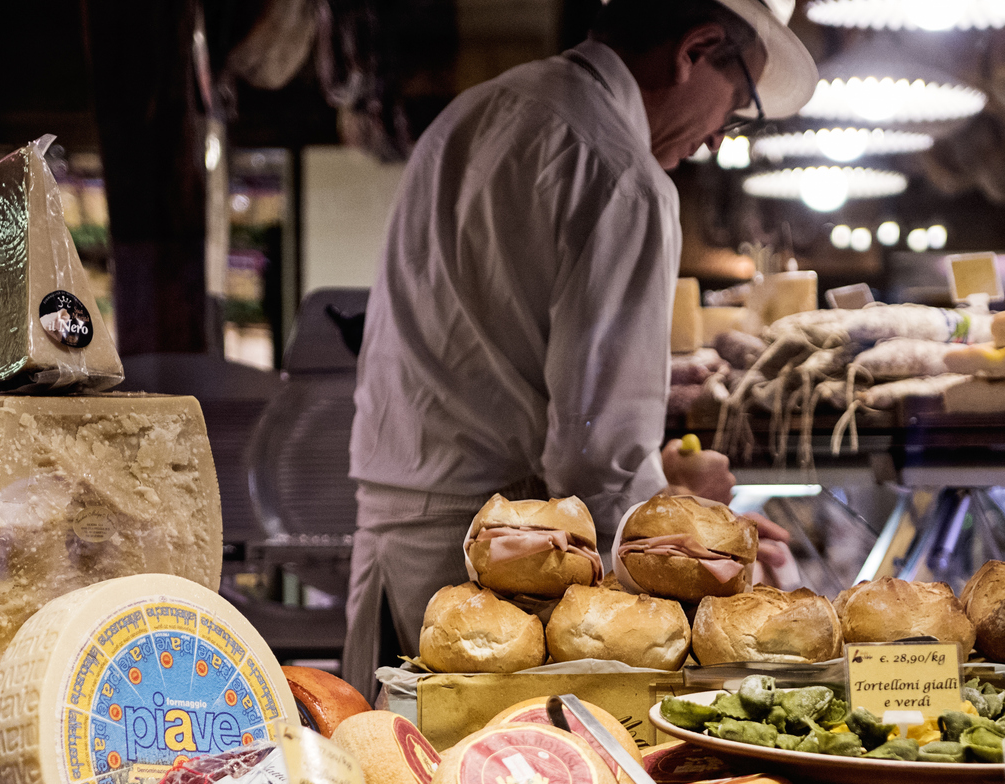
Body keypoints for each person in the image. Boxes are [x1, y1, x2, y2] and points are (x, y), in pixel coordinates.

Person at [343, 0, 816, 684]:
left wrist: (652, 481)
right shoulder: (623, 172)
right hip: (503, 564)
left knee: (400, 765)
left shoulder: (474, 111)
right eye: (735, 106)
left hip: (393, 539)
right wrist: (671, 517)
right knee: (511, 780)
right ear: (695, 49)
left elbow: (494, 358)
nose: (716, 139)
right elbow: (596, 458)